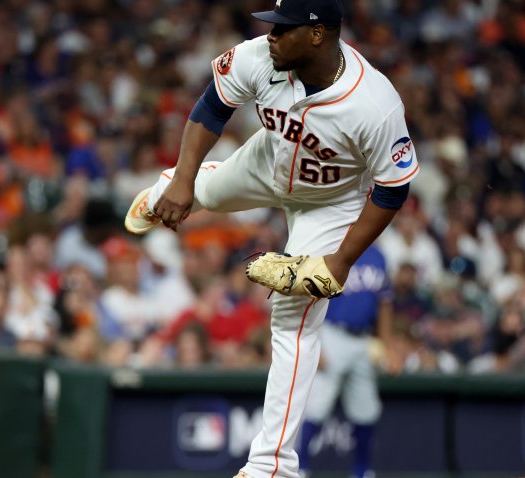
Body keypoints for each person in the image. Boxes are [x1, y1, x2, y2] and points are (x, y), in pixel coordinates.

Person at [123, 1, 418, 477]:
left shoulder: (375, 104)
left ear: (318, 34)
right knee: (207, 193)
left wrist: (341, 261)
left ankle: (271, 466)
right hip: (270, 160)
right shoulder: (259, 56)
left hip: (330, 201)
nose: (272, 35)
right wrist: (181, 181)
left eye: (284, 28)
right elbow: (211, 109)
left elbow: (393, 187)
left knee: (293, 318)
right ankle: (168, 186)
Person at [296, 245, 391, 478]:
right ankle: (300, 468)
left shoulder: (378, 255)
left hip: (364, 340)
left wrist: (387, 345)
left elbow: (385, 302)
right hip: (331, 333)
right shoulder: (333, 247)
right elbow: (310, 298)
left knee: (366, 411)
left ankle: (362, 471)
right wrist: (313, 341)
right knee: (316, 408)